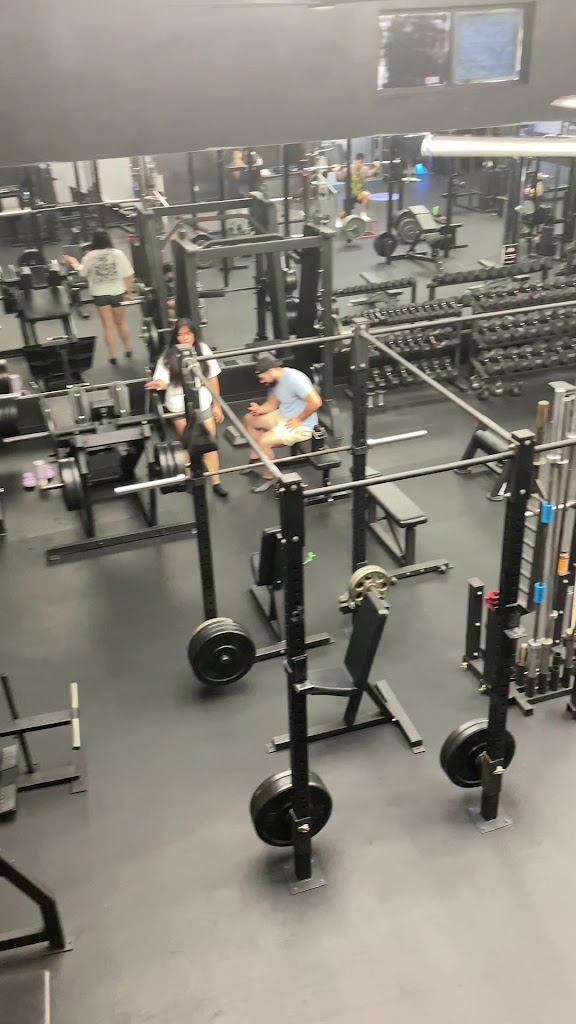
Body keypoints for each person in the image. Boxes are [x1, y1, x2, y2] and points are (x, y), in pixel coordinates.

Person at [145, 319, 228, 498]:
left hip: (202, 402)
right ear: (175, 337)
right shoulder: (167, 356)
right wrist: (159, 384)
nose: (185, 338)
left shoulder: (203, 350)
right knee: (188, 444)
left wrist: (217, 405)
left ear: (194, 334)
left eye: (188, 334)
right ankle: (191, 480)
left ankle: (216, 481)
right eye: (180, 335)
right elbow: (163, 380)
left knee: (210, 443)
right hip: (179, 407)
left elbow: (212, 378)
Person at [243, 353, 322, 493]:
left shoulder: (295, 379)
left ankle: (269, 476)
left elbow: (316, 402)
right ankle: (256, 458)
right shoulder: (275, 381)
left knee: (264, 441)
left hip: (301, 425)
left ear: (271, 371)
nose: (261, 381)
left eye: (262, 377)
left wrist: (299, 419)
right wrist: (259, 409)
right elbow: (272, 404)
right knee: (249, 419)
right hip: (284, 415)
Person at [63, 230, 134, 365]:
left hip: (100, 294)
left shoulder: (90, 256)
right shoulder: (118, 254)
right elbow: (127, 275)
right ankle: (128, 348)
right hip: (117, 293)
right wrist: (128, 293)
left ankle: (112, 355)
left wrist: (73, 262)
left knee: (108, 326)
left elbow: (82, 272)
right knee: (121, 322)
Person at [334, 153, 381, 223]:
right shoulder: (348, 170)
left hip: (359, 194)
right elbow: (339, 179)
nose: (361, 164)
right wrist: (337, 171)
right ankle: (339, 218)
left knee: (366, 194)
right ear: (355, 161)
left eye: (362, 162)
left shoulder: (364, 169)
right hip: (349, 196)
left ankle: (363, 215)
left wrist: (376, 167)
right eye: (360, 162)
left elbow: (369, 173)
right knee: (345, 213)